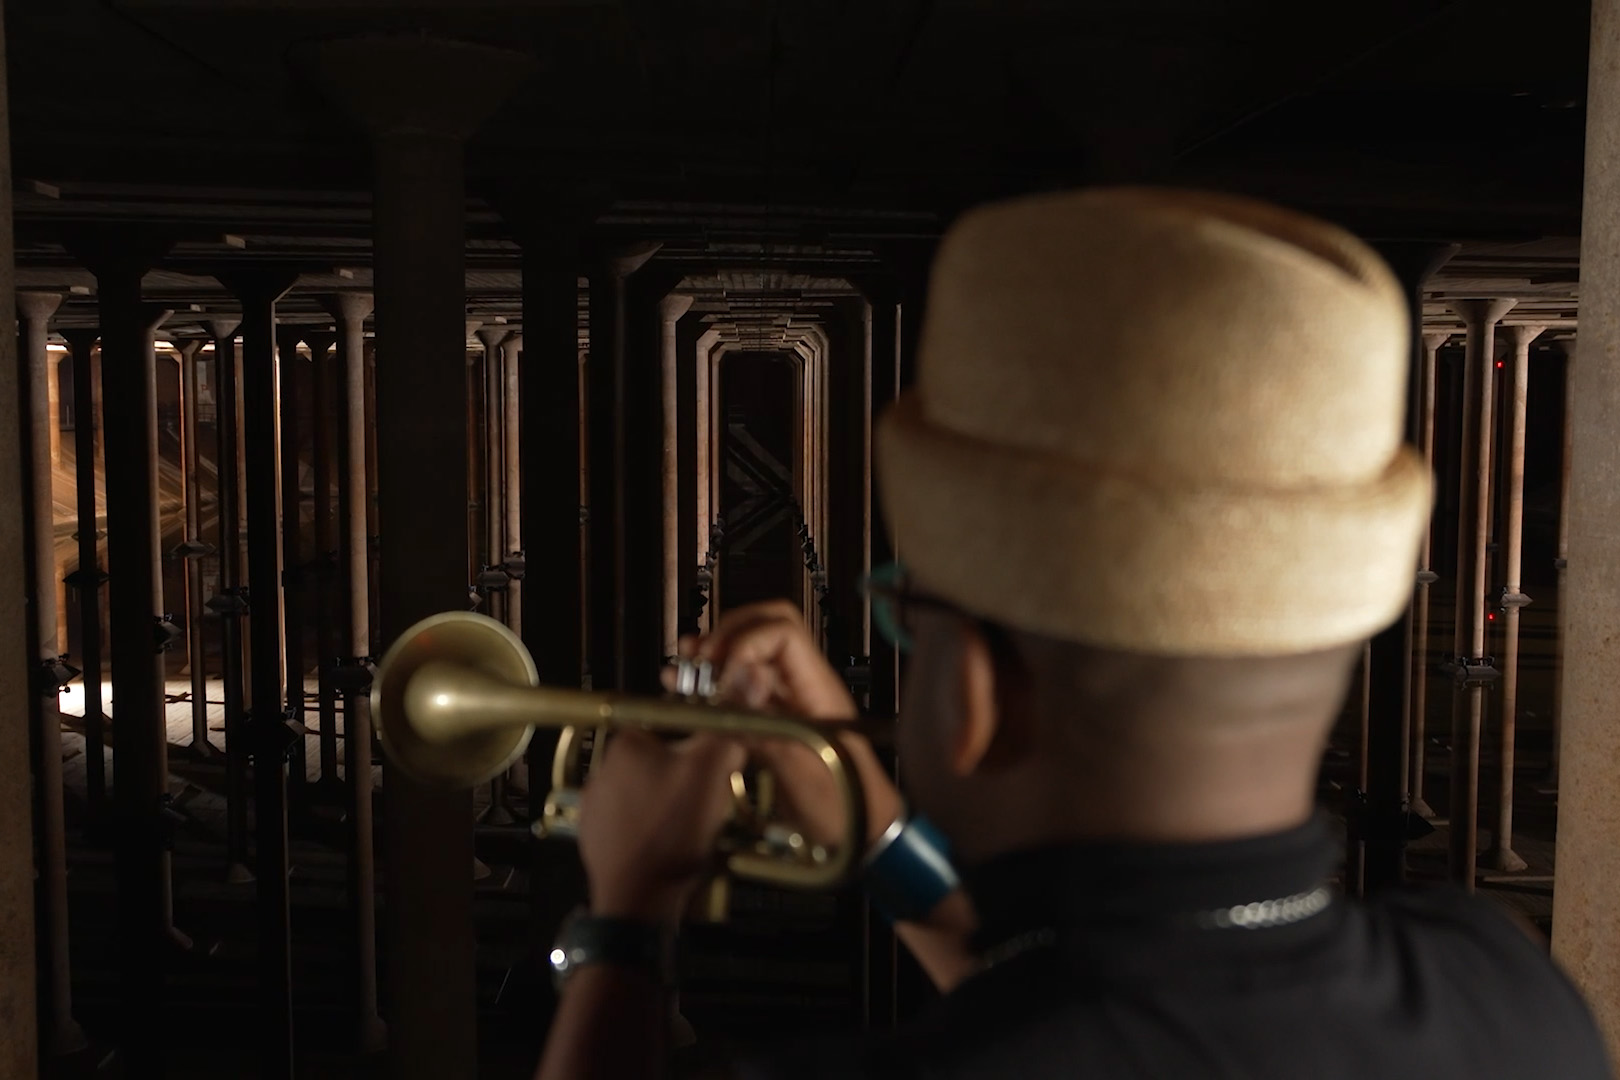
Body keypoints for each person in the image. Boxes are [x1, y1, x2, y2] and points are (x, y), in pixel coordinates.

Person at [533, 188, 1614, 1080]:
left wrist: (623, 926)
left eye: (915, 618)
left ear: (986, 698)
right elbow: (1098, 1010)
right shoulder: (1505, 989)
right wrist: (877, 835)